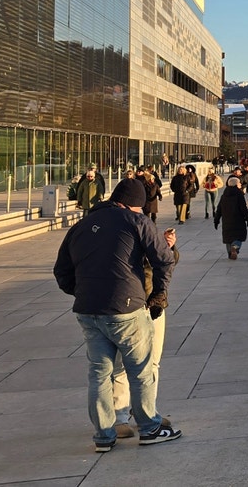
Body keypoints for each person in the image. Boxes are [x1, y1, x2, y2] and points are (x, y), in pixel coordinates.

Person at [53, 178, 182, 452]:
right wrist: (159, 295)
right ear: (134, 204)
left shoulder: (81, 225)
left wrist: (83, 293)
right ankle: (150, 428)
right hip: (126, 308)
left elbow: (61, 272)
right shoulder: (137, 221)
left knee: (99, 373)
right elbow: (164, 260)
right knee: (141, 370)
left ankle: (103, 436)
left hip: (88, 311)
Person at [111, 215, 179, 439]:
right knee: (123, 363)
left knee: (153, 361)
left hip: (154, 304)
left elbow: (168, 263)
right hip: (129, 308)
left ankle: (148, 412)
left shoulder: (146, 233)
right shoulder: (117, 240)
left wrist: (168, 247)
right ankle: (120, 416)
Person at [214, 176, 248, 260]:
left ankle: (230, 253)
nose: (240, 184)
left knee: (228, 238)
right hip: (238, 220)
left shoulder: (224, 195)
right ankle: (235, 248)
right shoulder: (239, 195)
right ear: (235, 184)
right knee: (238, 237)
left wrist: (216, 220)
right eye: (239, 183)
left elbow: (219, 209)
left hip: (227, 220)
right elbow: (243, 208)